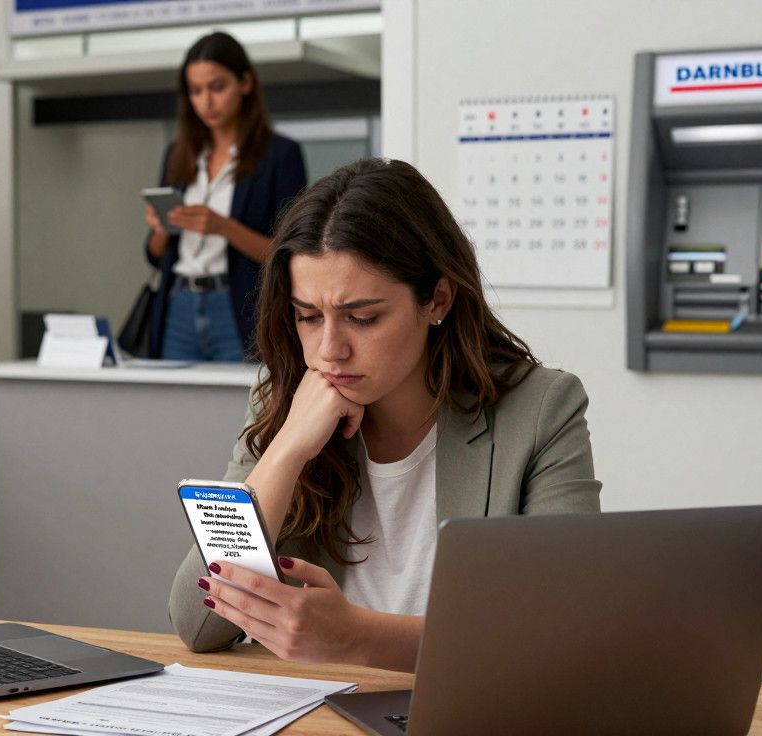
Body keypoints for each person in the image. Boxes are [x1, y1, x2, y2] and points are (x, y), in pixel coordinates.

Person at [167, 158, 601, 671]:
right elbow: (200, 624)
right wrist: (286, 450)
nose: (330, 349)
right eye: (308, 316)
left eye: (363, 317)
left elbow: (563, 632)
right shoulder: (285, 400)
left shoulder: (540, 410)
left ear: (437, 298)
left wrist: (356, 637)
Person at [143, 31, 307, 362]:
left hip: (238, 306)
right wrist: (162, 229)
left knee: (243, 408)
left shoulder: (280, 155)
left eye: (217, 87)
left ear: (245, 83)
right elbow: (154, 255)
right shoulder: (178, 154)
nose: (207, 101)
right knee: (171, 407)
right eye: (196, 91)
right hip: (178, 301)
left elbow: (292, 255)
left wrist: (223, 227)